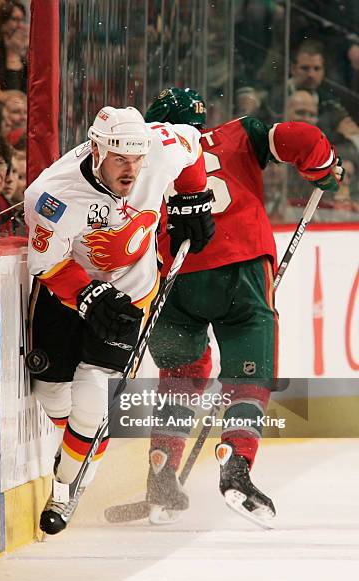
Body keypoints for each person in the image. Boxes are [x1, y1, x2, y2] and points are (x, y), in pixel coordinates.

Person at [142, 87, 344, 526]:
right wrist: (324, 167)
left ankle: (161, 466)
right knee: (249, 376)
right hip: (242, 268)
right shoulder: (239, 133)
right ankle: (235, 463)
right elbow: (303, 137)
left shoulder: (140, 159)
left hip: (173, 275)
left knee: (180, 376)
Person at [24, 105, 215, 535]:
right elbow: (47, 263)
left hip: (133, 289)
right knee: (52, 394)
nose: (131, 170)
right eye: (119, 159)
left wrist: (191, 197)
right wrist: (87, 293)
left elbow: (192, 141)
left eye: (136, 159)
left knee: (93, 398)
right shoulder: (52, 196)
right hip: (65, 289)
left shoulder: (159, 150)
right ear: (96, 150)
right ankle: (84, 444)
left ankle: (67, 484)